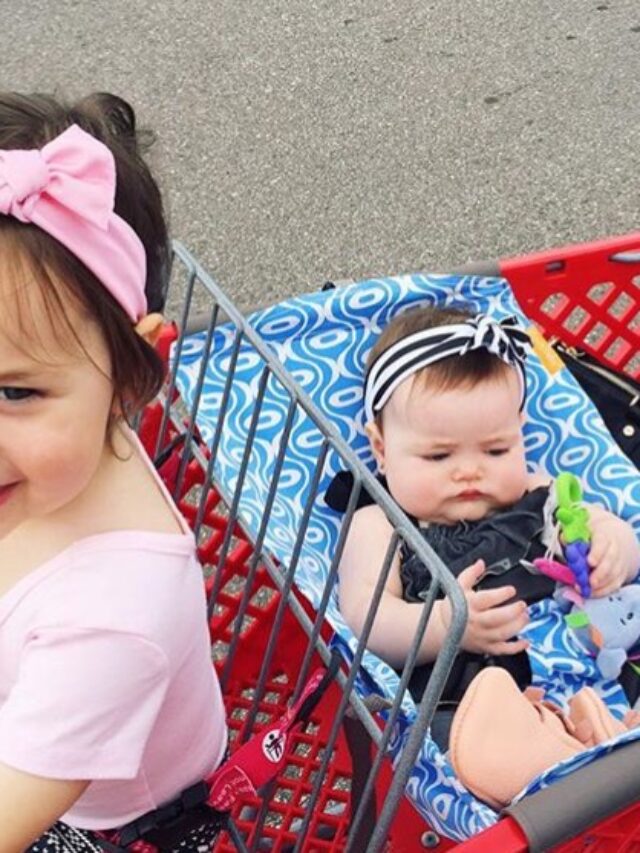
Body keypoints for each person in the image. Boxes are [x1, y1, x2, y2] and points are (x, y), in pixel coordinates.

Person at [0, 93, 227, 852]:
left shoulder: (113, 616)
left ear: (131, 377)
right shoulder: (55, 461)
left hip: (98, 828)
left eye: (14, 391)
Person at [336, 305, 640, 724]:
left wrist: (612, 549)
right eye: (438, 455)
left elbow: (607, 527)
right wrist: (444, 624)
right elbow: (366, 621)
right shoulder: (381, 524)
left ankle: (608, 739)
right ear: (381, 449)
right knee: (469, 735)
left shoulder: (538, 492)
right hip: (474, 700)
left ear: (520, 429)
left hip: (595, 668)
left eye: (496, 450)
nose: (469, 471)